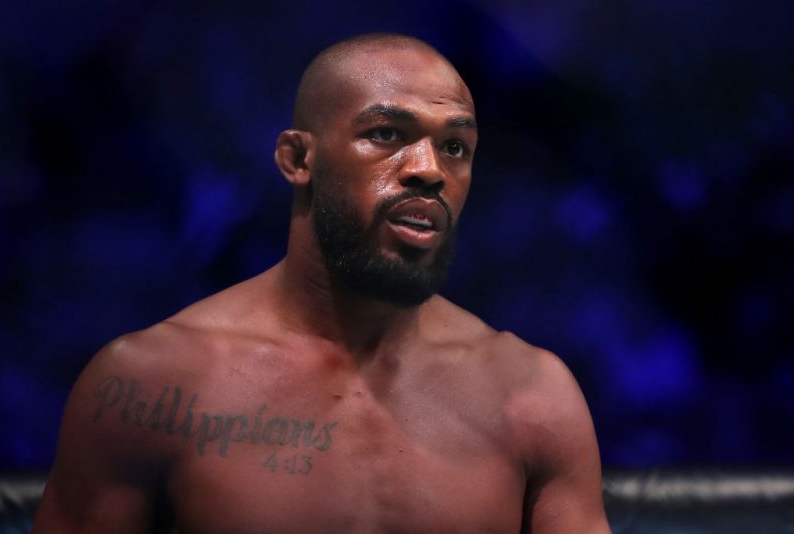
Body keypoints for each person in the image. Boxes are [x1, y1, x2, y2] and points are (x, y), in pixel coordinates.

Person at [34, 33, 611, 533]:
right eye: (386, 134)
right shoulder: (149, 385)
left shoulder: (535, 396)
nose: (429, 169)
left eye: (454, 146)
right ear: (297, 159)